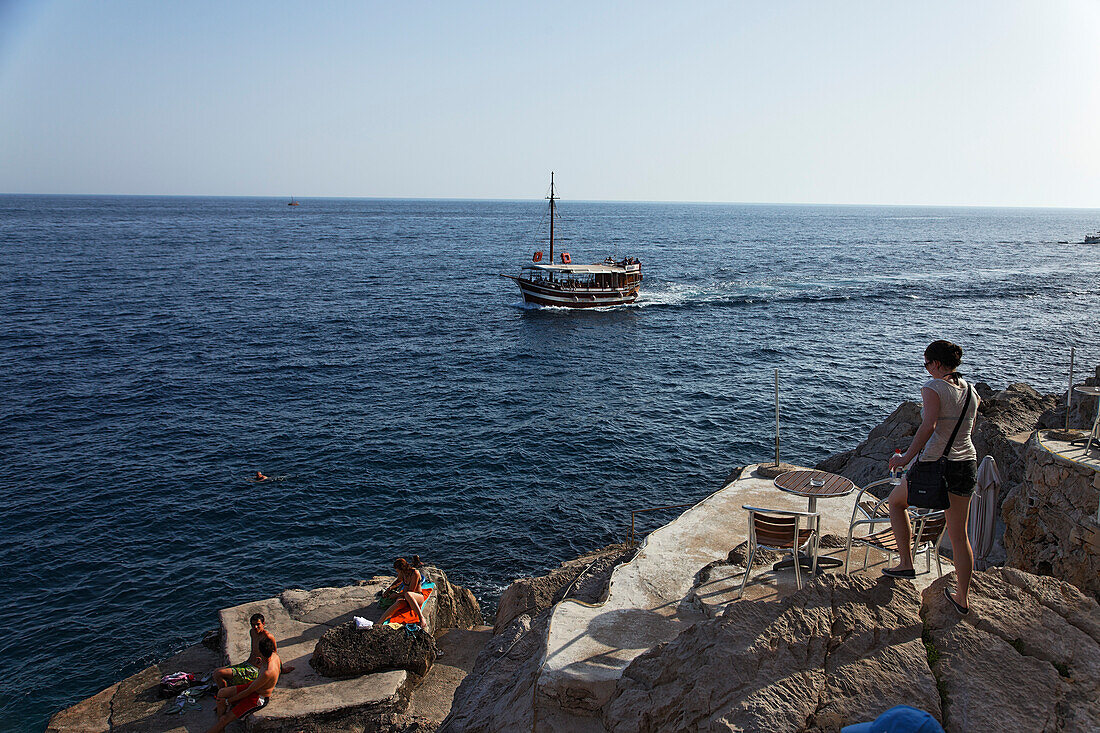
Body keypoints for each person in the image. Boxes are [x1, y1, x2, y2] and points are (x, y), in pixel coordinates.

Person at [886, 340, 980, 615]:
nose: (926, 369)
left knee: (895, 502)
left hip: (937, 464)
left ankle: (906, 563)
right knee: (959, 535)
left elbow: (929, 427)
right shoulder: (972, 391)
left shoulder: (933, 387)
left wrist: (905, 459)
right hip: (967, 463)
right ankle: (962, 599)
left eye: (927, 363)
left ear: (937, 364)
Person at [206, 635, 279, 733]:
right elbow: (278, 666)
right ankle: (221, 729)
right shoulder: (274, 656)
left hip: (258, 697)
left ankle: (220, 724)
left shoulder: (267, 672)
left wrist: (227, 702)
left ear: (261, 652)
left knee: (224, 719)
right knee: (222, 692)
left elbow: (248, 692)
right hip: (254, 686)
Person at [378, 557, 425, 625]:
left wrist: (396, 595)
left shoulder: (415, 573)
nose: (398, 573)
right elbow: (398, 581)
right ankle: (379, 623)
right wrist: (389, 589)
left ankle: (421, 618)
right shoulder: (403, 573)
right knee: (398, 603)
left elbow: (411, 591)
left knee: (408, 594)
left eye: (398, 571)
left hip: (416, 597)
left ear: (402, 569)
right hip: (405, 598)